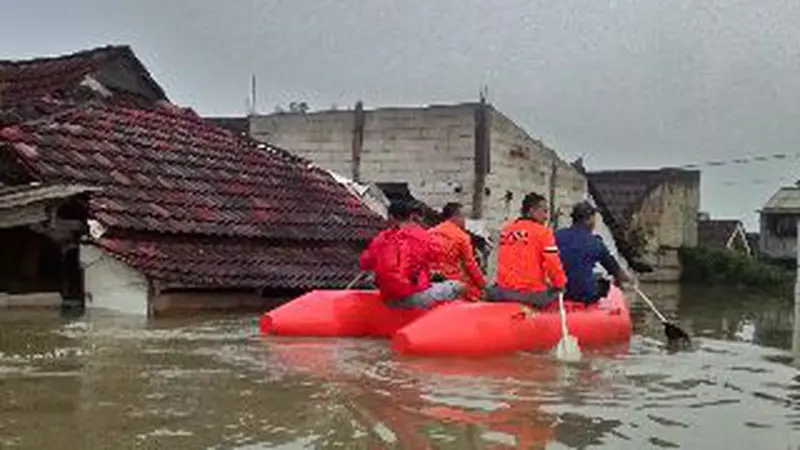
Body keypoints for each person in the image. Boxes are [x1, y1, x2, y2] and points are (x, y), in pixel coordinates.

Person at [360, 200, 465, 309]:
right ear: (411, 216)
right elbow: (438, 254)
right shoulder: (420, 235)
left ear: (390, 217)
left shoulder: (382, 238)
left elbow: (364, 263)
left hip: (388, 299)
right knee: (459, 286)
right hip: (414, 298)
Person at [487, 192, 567, 308]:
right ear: (532, 210)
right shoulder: (543, 232)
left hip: (503, 292)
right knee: (558, 290)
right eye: (544, 211)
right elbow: (553, 263)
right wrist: (561, 284)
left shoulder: (506, 231)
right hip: (529, 294)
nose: (546, 217)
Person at [555, 200, 634, 304]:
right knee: (604, 283)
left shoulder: (557, 236)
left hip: (562, 293)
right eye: (594, 218)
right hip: (586, 295)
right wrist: (630, 280)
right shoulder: (595, 242)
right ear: (589, 219)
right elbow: (615, 270)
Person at [428, 202, 487, 302]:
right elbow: (470, 265)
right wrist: (483, 286)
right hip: (450, 280)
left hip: (429, 279)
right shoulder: (461, 236)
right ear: (455, 216)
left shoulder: (430, 232)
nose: (464, 221)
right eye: (463, 217)